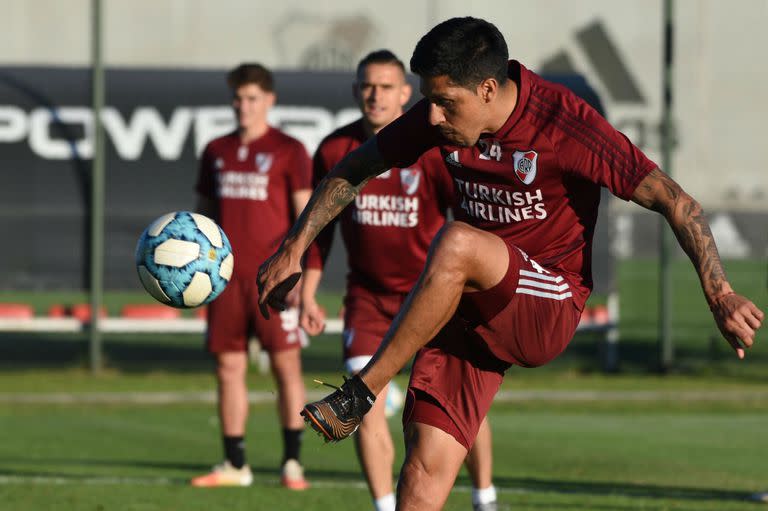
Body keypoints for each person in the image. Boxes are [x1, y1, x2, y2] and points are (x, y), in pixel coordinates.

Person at [257, 17, 764, 511]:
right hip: (470, 305)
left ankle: (363, 392)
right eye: (429, 100)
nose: (432, 116)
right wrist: (293, 248)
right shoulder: (442, 116)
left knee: (455, 241)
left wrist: (719, 293)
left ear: (487, 90)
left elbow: (675, 201)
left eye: (444, 102)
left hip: (548, 301)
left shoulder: (564, 122)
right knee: (422, 472)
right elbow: (355, 166)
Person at [300, 50, 497, 511]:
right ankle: (385, 507)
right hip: (367, 300)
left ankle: (484, 497)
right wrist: (308, 294)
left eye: (387, 86)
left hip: (432, 298)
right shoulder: (335, 150)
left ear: (406, 93)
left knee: (457, 407)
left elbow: (467, 220)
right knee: (359, 403)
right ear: (355, 91)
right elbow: (318, 228)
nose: (376, 95)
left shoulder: (432, 148)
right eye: (368, 85)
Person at [191, 63, 312, 489]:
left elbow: (305, 219)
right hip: (223, 281)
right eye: (238, 98)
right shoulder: (216, 150)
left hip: (272, 282)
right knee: (228, 368)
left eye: (253, 98)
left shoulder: (289, 149)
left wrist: (297, 275)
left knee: (286, 368)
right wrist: (195, 276)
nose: (244, 106)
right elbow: (202, 220)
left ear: (270, 100)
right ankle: (234, 464)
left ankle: (292, 463)